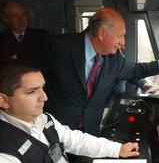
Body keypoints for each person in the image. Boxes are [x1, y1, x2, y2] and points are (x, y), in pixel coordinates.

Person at [41, 7, 159, 137]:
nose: (122, 43)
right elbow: (34, 81)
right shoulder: (58, 47)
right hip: (57, 131)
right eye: (120, 36)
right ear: (101, 33)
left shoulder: (115, 58)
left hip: (89, 133)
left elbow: (136, 70)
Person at [0, 60, 139, 163]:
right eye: (32, 92)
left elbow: (75, 140)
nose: (44, 97)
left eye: (42, 88)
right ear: (3, 101)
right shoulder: (6, 154)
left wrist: (117, 149)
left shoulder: (45, 119)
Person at [0, 0, 50, 65]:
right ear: (5, 19)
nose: (21, 19)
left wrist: (16, 57)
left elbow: (46, 61)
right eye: (15, 16)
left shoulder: (41, 35)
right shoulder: (2, 39)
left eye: (23, 14)